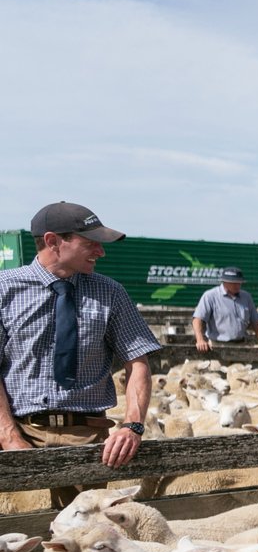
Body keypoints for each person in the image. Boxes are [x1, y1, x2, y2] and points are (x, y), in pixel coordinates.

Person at [0, 202, 160, 505]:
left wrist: (132, 425)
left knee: (84, 541)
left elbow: (137, 361)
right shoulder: (3, 290)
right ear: (53, 242)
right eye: (90, 243)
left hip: (89, 439)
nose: (100, 251)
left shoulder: (110, 292)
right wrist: (9, 437)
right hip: (19, 433)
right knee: (17, 538)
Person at [193, 267, 258, 351]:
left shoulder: (246, 297)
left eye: (239, 282)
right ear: (225, 282)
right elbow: (198, 319)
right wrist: (200, 340)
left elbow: (255, 321)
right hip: (217, 347)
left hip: (242, 345)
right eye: (234, 283)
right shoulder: (210, 296)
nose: (238, 285)